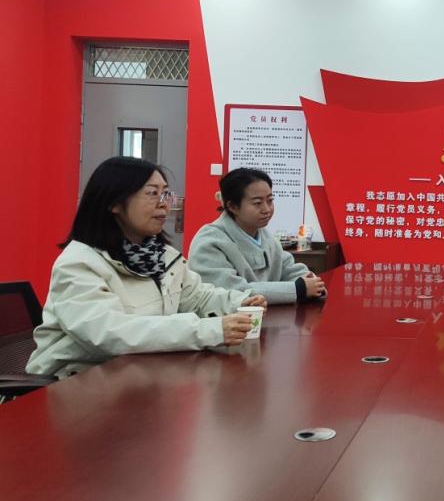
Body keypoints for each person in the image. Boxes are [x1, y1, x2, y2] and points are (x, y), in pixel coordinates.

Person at [27, 157, 266, 379]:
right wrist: (208, 330)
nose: (165, 205)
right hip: (75, 384)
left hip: (137, 377)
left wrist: (239, 302)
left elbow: (197, 298)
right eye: (152, 194)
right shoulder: (79, 263)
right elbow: (109, 333)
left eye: (166, 194)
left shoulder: (161, 256)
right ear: (114, 202)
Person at [188, 168, 326, 304]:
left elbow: (288, 268)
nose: (267, 209)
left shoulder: (265, 236)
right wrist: (297, 289)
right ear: (232, 206)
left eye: (270, 200)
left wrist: (312, 282)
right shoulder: (209, 241)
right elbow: (232, 292)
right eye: (257, 203)